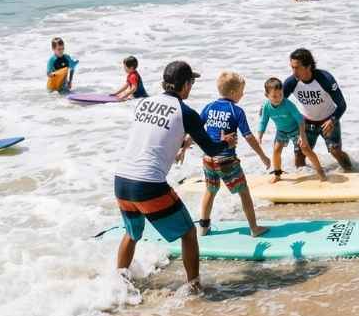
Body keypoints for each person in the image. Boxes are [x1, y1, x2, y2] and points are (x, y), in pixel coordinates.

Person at [114, 61, 236, 292]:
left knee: (132, 233)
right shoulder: (186, 113)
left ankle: (117, 286)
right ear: (186, 85)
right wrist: (226, 142)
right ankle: (194, 287)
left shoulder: (143, 103)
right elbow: (211, 149)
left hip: (121, 180)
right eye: (192, 83)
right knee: (188, 233)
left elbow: (154, 136)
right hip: (148, 185)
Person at [189, 72, 272, 237]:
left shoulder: (209, 107)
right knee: (244, 193)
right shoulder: (236, 111)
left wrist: (183, 147)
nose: (243, 94)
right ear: (233, 92)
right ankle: (254, 228)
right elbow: (248, 136)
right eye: (241, 91)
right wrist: (262, 156)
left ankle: (203, 228)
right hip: (226, 160)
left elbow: (195, 129)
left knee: (210, 191)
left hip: (208, 158)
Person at [283, 48, 352, 171]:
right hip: (306, 122)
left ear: (308, 66)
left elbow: (342, 105)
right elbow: (278, 102)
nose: (294, 71)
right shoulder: (291, 82)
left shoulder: (325, 79)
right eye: (292, 67)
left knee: (335, 151)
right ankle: (304, 178)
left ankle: (351, 171)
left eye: (297, 68)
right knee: (299, 154)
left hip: (328, 121)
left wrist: (332, 120)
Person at [258, 77, 324, 182]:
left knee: (305, 150)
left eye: (281, 95)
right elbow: (263, 121)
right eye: (274, 96)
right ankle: (277, 175)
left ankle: (320, 171)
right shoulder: (266, 107)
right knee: (276, 151)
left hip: (296, 129)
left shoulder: (288, 104)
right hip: (281, 131)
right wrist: (260, 135)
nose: (278, 98)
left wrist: (302, 136)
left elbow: (300, 120)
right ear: (267, 95)